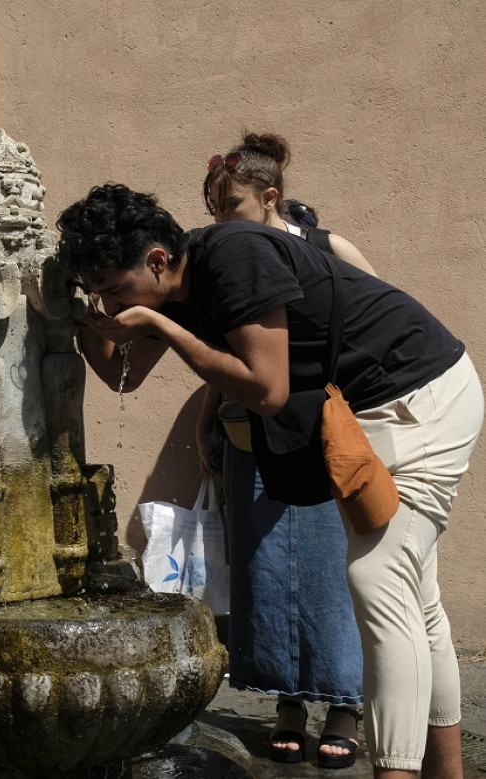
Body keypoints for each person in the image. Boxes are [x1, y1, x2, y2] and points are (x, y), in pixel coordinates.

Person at [58, 183, 481, 778]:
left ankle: (397, 769)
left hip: (420, 395)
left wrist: (165, 326)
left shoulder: (234, 255)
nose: (111, 304)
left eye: (115, 290)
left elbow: (267, 388)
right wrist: (75, 320)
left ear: (155, 258)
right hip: (375, 410)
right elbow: (120, 377)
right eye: (99, 294)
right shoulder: (164, 289)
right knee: (418, 599)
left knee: (377, 578)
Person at [194, 133, 371, 768]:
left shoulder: (328, 250)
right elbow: (230, 349)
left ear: (270, 198)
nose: (219, 223)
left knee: (330, 573)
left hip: (320, 439)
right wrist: (207, 418)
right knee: (265, 572)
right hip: (249, 437)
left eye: (231, 207)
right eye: (214, 210)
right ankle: (289, 703)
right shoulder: (225, 260)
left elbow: (373, 332)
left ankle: (345, 705)